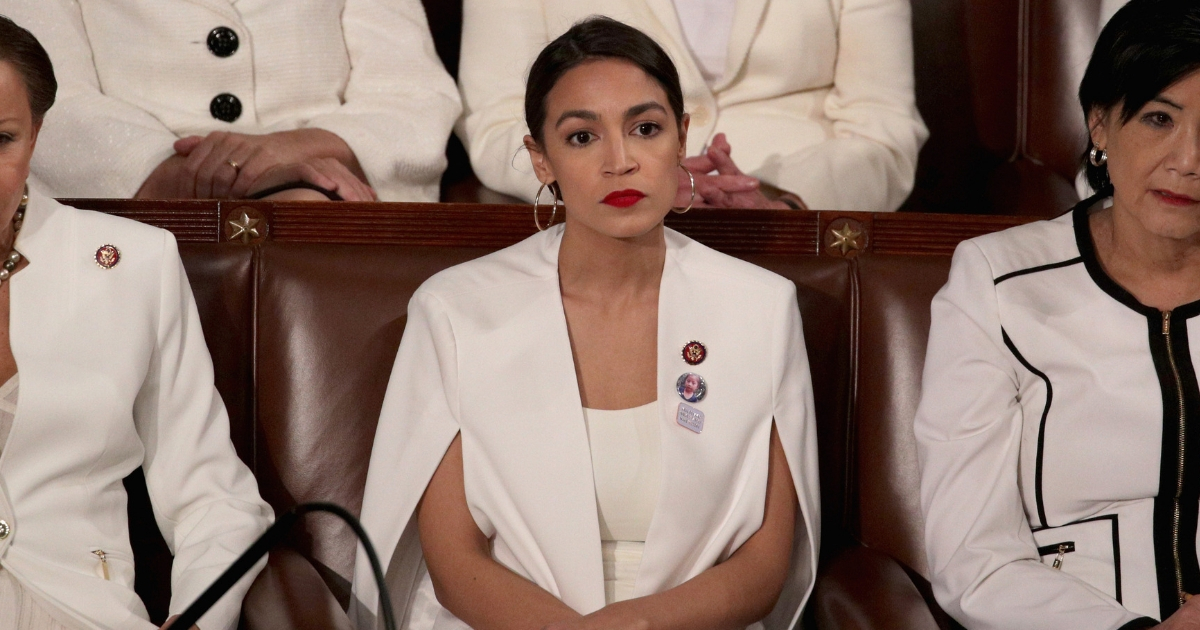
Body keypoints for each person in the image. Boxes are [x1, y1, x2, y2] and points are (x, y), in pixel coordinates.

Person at [352, 17, 819, 630]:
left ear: (681, 140)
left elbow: (762, 566)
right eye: (581, 138)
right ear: (540, 160)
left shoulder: (762, 308)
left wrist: (639, 626)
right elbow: (454, 560)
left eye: (645, 129)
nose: (619, 161)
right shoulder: (456, 310)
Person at [915, 1, 1200, 627]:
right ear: (1100, 124)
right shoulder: (996, 281)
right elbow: (973, 559)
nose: (1188, 160)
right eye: (1158, 119)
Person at [0, 17, 272, 630]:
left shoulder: (134, 263)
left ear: (37, 136)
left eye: (0, 138)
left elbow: (215, 499)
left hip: (81, 611)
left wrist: (198, 620)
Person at [457, 0, 927, 212]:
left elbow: (882, 131)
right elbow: (498, 123)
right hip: (598, 209)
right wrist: (643, 180)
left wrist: (782, 203)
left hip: (795, 221)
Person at [2, 0, 461, 202]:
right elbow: (38, 100)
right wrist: (198, 176)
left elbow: (416, 97)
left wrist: (288, 150)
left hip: (328, 200)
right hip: (130, 203)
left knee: (305, 220)